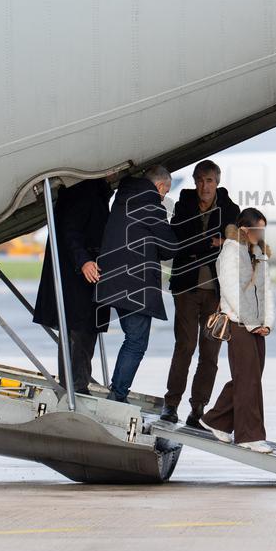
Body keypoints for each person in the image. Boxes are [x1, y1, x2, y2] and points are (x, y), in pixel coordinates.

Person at [161, 160, 241, 426]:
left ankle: (198, 408)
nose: (204, 186)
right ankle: (171, 404)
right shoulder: (183, 205)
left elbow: (235, 249)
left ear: (217, 182)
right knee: (184, 346)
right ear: (194, 182)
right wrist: (214, 243)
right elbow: (177, 242)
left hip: (216, 293)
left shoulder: (230, 210)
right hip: (186, 287)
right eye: (200, 180)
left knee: (210, 352)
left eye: (209, 181)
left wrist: (216, 243)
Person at [97, 165, 178, 403]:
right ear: (161, 186)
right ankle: (118, 395)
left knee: (131, 338)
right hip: (136, 287)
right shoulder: (152, 204)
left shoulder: (122, 199)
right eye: (165, 191)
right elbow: (170, 248)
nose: (164, 196)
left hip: (113, 283)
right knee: (136, 341)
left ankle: (117, 390)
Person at [199, 208, 275, 453]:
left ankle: (215, 420)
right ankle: (250, 436)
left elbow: (267, 292)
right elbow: (232, 293)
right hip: (239, 324)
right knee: (248, 379)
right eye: (257, 229)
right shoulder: (230, 253)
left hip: (256, 326)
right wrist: (253, 323)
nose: (260, 233)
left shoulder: (259, 253)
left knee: (248, 378)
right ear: (244, 229)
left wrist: (267, 322)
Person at [32, 178, 113, 395]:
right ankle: (76, 388)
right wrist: (84, 261)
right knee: (80, 332)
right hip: (80, 278)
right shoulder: (86, 192)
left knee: (80, 332)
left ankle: (75, 386)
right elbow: (71, 232)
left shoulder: (94, 192)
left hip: (83, 277)